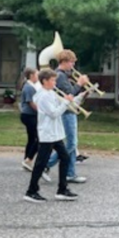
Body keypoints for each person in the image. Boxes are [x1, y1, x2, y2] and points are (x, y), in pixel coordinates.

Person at [25, 68, 83, 203]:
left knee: (65, 157)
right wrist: (66, 102)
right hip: (47, 134)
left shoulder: (51, 93)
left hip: (55, 134)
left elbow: (62, 105)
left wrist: (76, 98)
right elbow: (54, 113)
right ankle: (31, 191)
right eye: (52, 80)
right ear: (45, 81)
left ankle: (62, 189)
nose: (55, 83)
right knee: (41, 163)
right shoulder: (43, 96)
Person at [51, 50, 88, 184]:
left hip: (69, 111)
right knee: (71, 144)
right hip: (66, 112)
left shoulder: (63, 75)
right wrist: (79, 84)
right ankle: (46, 164)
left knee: (72, 144)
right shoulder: (60, 76)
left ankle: (70, 174)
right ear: (65, 61)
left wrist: (83, 91)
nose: (73, 65)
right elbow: (70, 94)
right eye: (72, 62)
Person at [19, 68, 41, 174]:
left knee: (32, 139)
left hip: (29, 115)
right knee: (39, 138)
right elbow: (31, 102)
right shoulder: (29, 87)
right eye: (37, 75)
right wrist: (41, 111)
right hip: (29, 115)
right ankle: (29, 159)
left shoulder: (31, 86)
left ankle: (26, 159)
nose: (38, 77)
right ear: (32, 75)